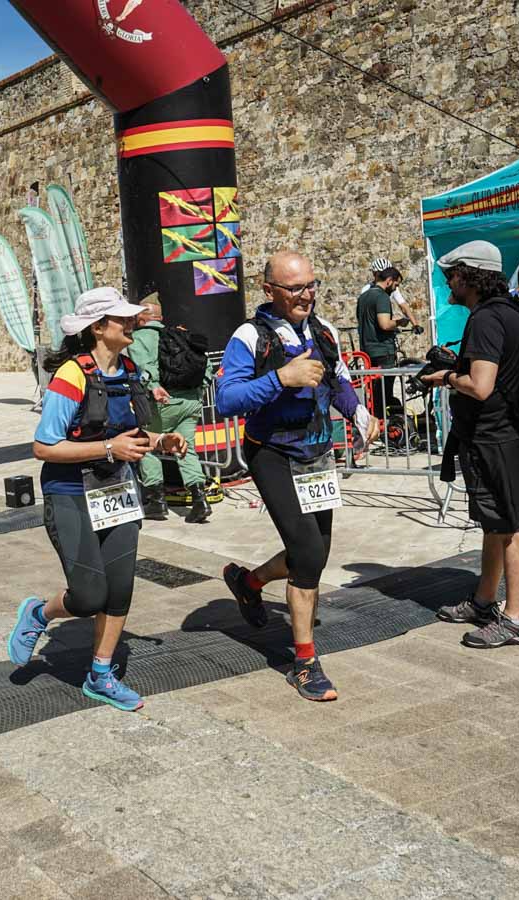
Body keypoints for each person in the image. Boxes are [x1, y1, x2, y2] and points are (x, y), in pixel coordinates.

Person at [6, 286, 189, 712]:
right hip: (70, 492)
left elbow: (130, 434)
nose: (131, 322)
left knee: (120, 588)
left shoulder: (129, 370)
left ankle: (101, 674)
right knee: (89, 595)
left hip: (117, 492)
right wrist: (109, 449)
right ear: (98, 327)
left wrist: (161, 441)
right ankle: (38, 614)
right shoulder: (71, 376)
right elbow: (44, 447)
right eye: (122, 318)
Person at [215, 251, 376, 702]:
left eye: (311, 285)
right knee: (307, 553)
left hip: (317, 454)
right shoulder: (250, 336)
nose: (306, 295)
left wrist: (359, 413)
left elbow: (337, 381)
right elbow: (226, 399)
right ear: (269, 291)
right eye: (295, 288)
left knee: (315, 555)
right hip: (272, 454)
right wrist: (282, 378)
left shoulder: (323, 331)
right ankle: (304, 663)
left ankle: (249, 583)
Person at [420, 240, 519, 649]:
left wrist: (445, 378)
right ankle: (484, 602)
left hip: (495, 437)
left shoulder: (487, 319)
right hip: (498, 434)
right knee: (495, 524)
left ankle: (515, 620)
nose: (448, 282)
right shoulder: (510, 311)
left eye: (452, 275)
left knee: (513, 527)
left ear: (469, 275)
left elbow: (481, 386)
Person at [127, 296, 213, 523]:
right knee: (186, 448)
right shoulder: (180, 335)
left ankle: (156, 501)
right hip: (192, 401)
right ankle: (200, 500)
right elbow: (207, 367)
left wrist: (154, 387)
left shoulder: (138, 338)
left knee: (147, 443)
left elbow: (144, 368)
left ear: (140, 318)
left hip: (163, 402)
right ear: (160, 317)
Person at [356, 266, 409, 417]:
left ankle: (376, 421)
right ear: (389, 281)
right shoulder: (382, 297)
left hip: (367, 351)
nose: (395, 288)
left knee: (374, 394)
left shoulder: (363, 297)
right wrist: (399, 322)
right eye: (396, 285)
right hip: (383, 351)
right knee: (385, 394)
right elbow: (385, 324)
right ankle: (385, 423)